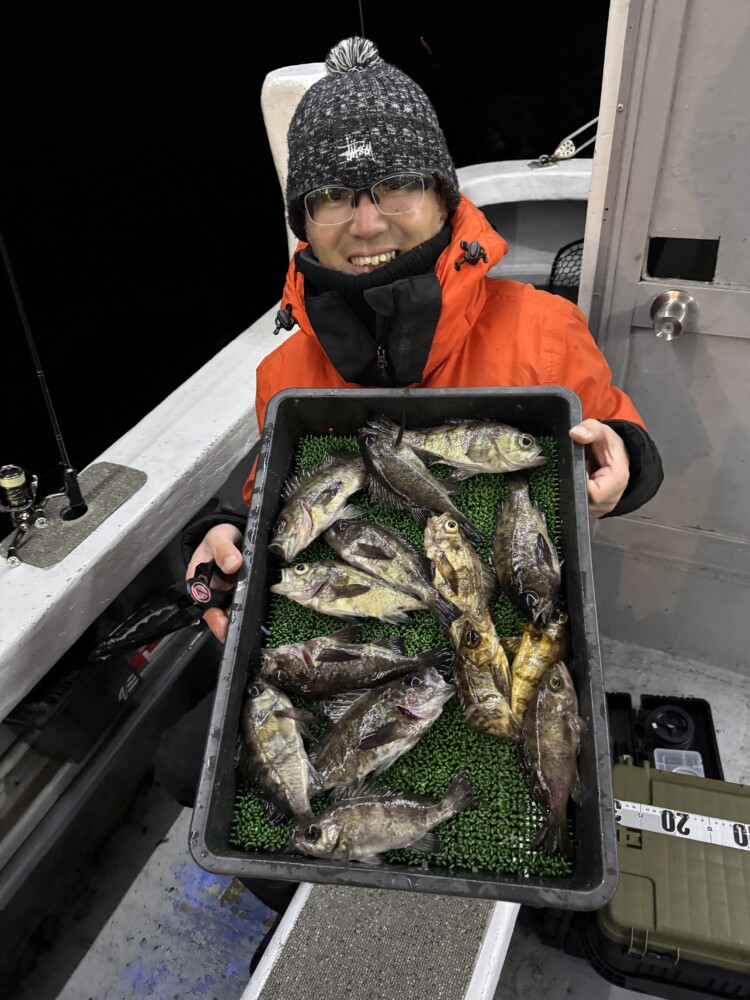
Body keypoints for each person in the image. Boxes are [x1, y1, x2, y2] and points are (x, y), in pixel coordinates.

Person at [155, 34, 663, 938]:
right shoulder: (288, 372)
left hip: (519, 628)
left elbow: (617, 434)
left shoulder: (541, 328)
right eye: (334, 198)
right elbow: (274, 482)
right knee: (180, 762)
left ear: (442, 195)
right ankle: (328, 903)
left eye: (393, 186)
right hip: (376, 624)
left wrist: (622, 454)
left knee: (553, 808)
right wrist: (230, 523)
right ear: (302, 220)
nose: (367, 221)